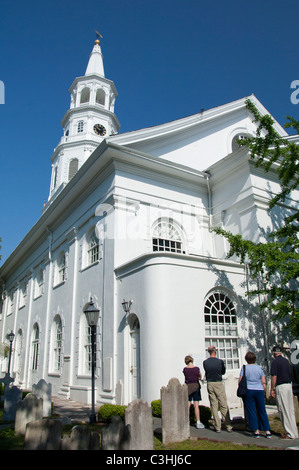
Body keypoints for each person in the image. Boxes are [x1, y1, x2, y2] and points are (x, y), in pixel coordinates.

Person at [238, 351, 271, 438]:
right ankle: (267, 430)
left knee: (251, 411)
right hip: (259, 389)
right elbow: (263, 381)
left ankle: (256, 431)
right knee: (262, 410)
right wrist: (264, 390)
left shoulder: (244, 368)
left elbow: (240, 380)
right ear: (254, 359)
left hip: (249, 390)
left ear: (246, 359)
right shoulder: (259, 368)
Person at [270, 345, 299, 440]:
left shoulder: (275, 362)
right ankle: (294, 432)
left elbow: (274, 377)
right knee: (290, 409)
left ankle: (289, 433)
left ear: (274, 353)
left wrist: (272, 389)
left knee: (283, 409)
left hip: (281, 386)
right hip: (288, 385)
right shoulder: (286, 361)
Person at [203, 345, 232, 432]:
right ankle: (228, 425)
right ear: (215, 351)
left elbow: (206, 371)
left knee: (214, 405)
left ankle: (217, 426)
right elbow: (223, 371)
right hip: (218, 383)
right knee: (223, 404)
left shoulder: (205, 362)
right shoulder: (219, 361)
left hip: (210, 383)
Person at [183, 355, 205, 429]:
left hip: (188, 387)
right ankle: (198, 422)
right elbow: (199, 376)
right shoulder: (196, 368)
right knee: (196, 405)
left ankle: (186, 421)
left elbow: (186, 376)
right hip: (196, 386)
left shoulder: (185, 369)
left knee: (188, 405)